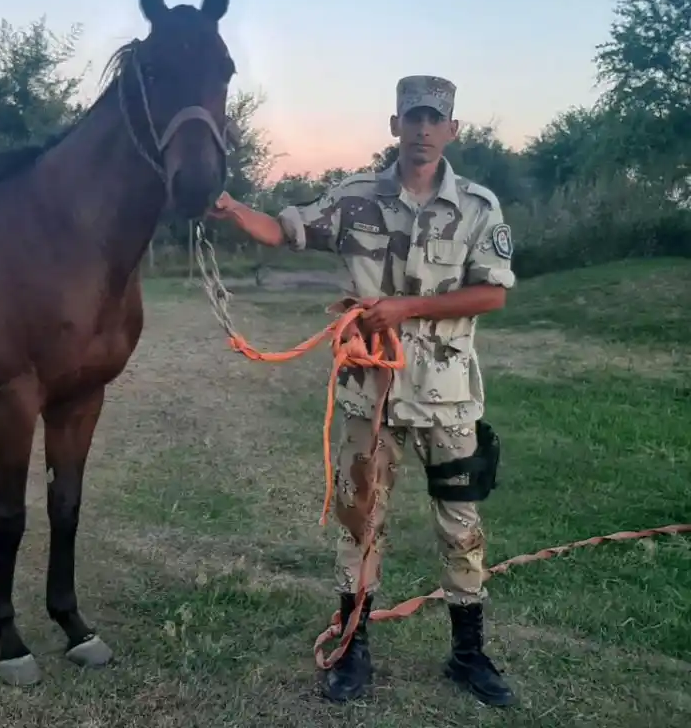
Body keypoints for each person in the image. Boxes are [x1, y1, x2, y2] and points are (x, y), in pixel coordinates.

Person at [208, 75, 517, 707]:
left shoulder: (478, 207)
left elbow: (492, 293)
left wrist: (405, 308)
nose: (423, 129)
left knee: (461, 524)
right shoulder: (354, 199)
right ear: (395, 125)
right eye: (413, 118)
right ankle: (352, 649)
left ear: (452, 130)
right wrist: (231, 207)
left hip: (447, 398)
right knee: (359, 522)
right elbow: (283, 229)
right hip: (368, 395)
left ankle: (468, 655)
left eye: (435, 119)